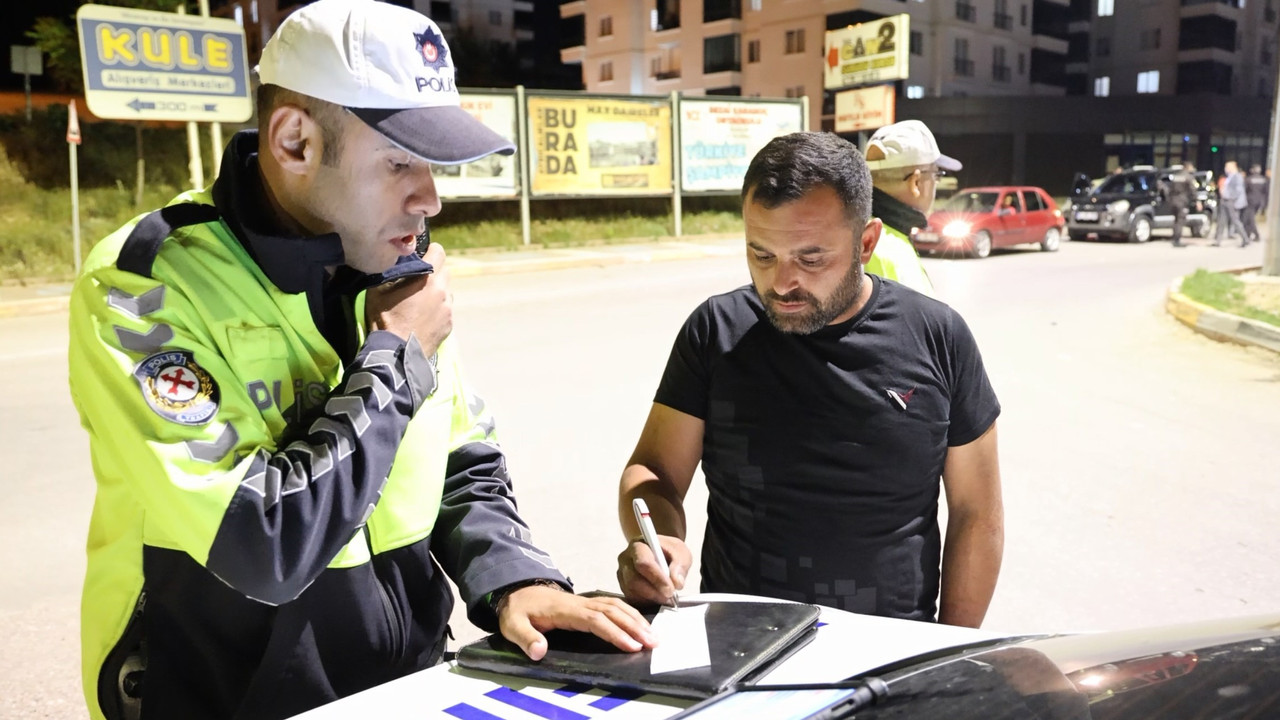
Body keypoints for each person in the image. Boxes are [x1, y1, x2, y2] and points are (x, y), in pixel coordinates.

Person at [67, 2, 653, 719]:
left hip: (404, 693)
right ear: (294, 141)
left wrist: (514, 580)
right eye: (400, 161)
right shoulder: (145, 283)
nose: (429, 196)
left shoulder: (391, 267)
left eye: (432, 164)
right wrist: (395, 358)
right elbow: (258, 542)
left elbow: (459, 460)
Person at [613, 132, 1004, 628]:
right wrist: (658, 537)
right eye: (762, 255)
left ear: (866, 242)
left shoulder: (938, 337)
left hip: (889, 648)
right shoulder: (716, 331)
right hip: (737, 642)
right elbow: (654, 472)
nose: (781, 282)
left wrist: (948, 653)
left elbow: (977, 513)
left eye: (811, 258)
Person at [863, 119, 962, 295]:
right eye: (936, 175)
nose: (935, 184)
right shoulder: (893, 251)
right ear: (915, 182)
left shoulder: (853, 232)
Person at [1159, 162, 1195, 248]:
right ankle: (1177, 240)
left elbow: (1170, 189)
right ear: (1188, 167)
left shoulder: (1176, 176)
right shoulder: (1188, 177)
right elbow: (1192, 189)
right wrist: (1195, 199)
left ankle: (1175, 238)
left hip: (1173, 201)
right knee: (1180, 221)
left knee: (1175, 221)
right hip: (1182, 201)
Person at [1215, 160, 1249, 247]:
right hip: (1225, 200)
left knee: (1235, 221)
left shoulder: (1237, 176)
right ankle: (1218, 241)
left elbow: (1238, 190)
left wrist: (1231, 197)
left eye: (1227, 167)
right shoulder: (1229, 177)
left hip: (1231, 202)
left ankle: (1245, 239)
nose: (1226, 169)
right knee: (1221, 221)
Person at [1244, 163, 1269, 242]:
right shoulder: (1264, 179)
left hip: (1250, 201)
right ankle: (1248, 234)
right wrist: (1265, 203)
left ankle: (1256, 235)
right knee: (1249, 218)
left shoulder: (1248, 179)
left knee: (1250, 219)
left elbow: (1245, 191)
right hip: (1260, 202)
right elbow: (1266, 192)